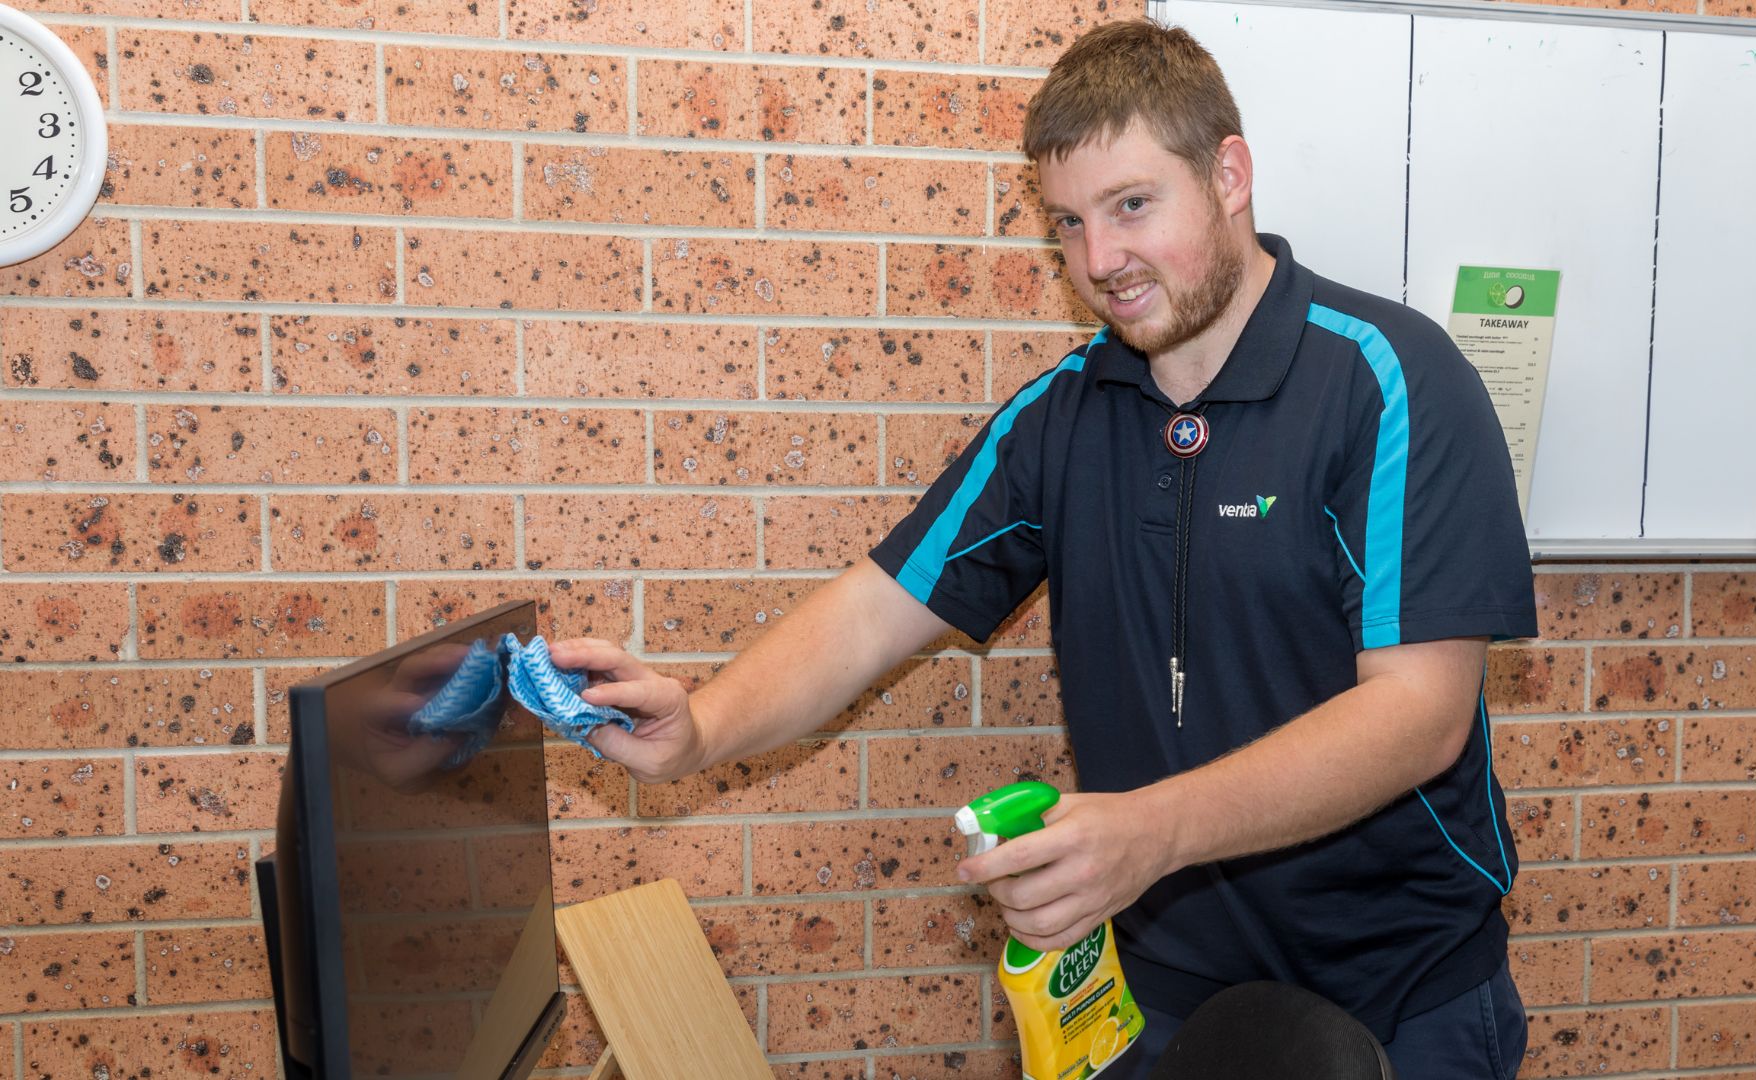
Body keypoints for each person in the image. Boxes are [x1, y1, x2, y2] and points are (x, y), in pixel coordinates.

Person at [549, 19, 1536, 1079]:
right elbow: (880, 607)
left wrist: (1149, 833)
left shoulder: (1391, 380)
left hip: (1398, 997)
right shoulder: (1062, 414)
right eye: (1068, 224)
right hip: (1154, 990)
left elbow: (1421, 713)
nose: (1100, 261)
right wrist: (701, 725)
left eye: (1132, 206)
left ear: (1230, 175)